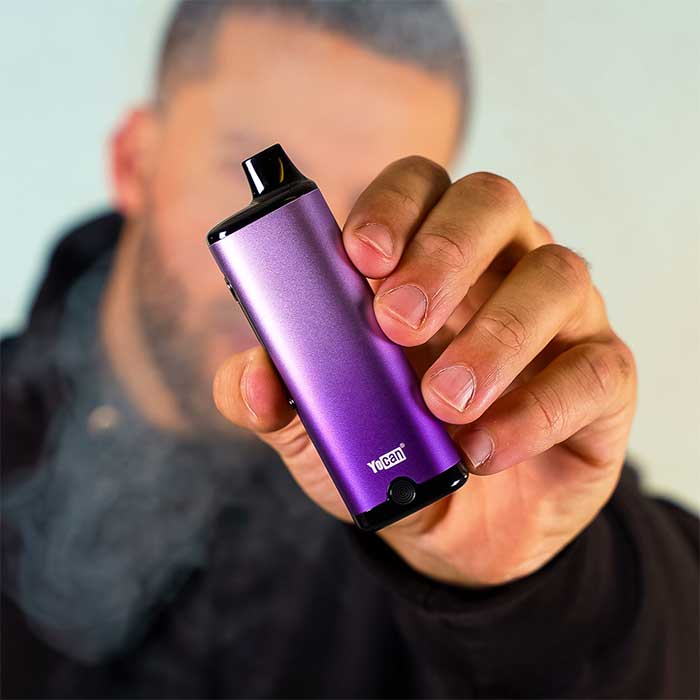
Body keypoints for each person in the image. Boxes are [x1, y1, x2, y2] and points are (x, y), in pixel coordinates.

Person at [1, 1, 697, 698]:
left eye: (361, 209)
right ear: (134, 160)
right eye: (255, 194)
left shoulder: (478, 446)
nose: (317, 271)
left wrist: (543, 590)